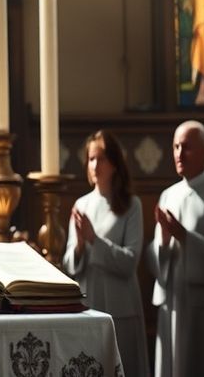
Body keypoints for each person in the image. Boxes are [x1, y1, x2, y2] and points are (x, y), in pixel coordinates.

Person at [145, 120, 204, 377]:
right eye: (175, 146)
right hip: (172, 305)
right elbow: (156, 262)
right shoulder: (167, 196)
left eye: (186, 147)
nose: (178, 154)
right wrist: (162, 241)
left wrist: (186, 237)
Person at [62, 130, 148, 377]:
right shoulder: (81, 204)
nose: (95, 165)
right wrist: (79, 246)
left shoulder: (131, 206)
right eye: (91, 158)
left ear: (115, 163)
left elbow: (130, 262)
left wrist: (93, 240)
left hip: (120, 307)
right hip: (88, 304)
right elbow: (69, 263)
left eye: (101, 158)